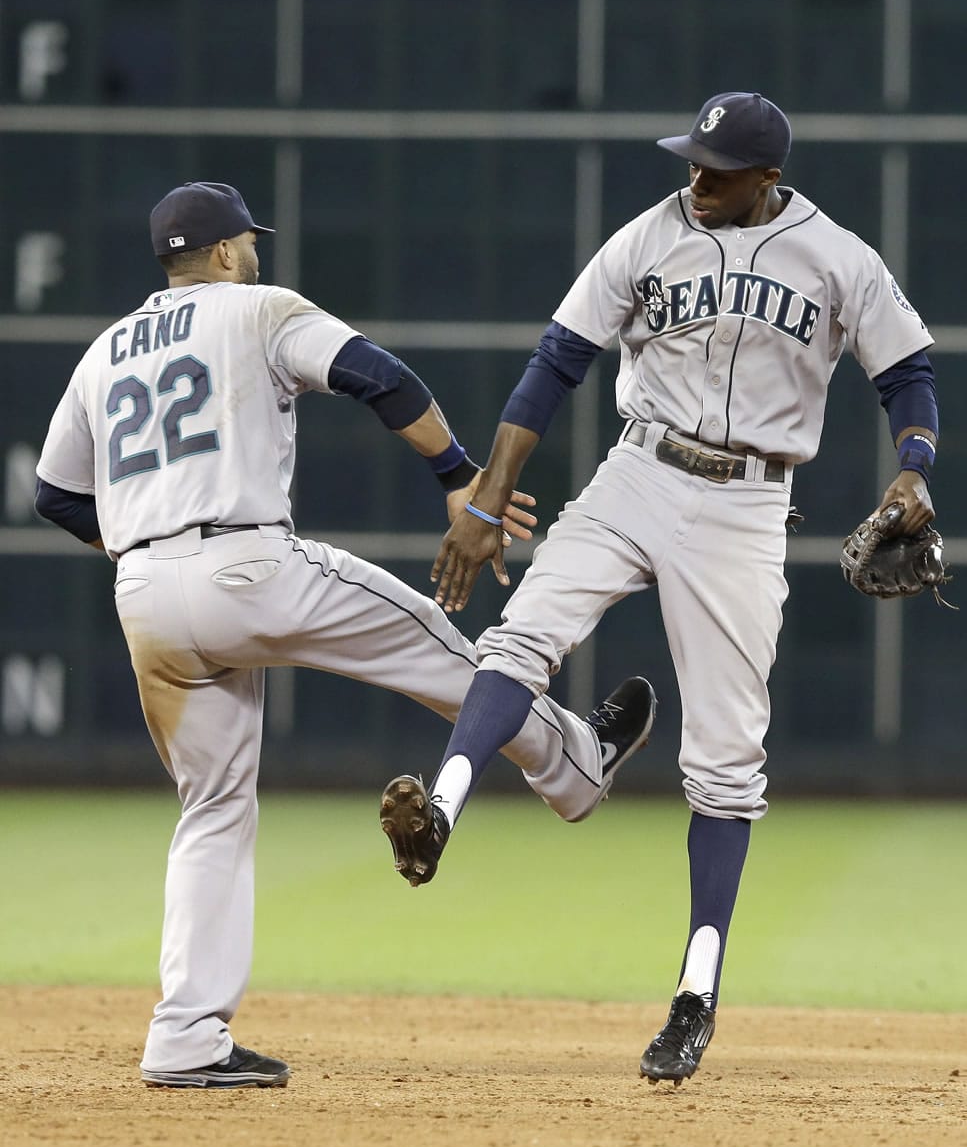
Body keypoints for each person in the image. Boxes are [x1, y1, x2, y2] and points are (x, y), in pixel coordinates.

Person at [33, 181, 657, 1089]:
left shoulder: (103, 352)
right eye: (245, 241)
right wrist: (456, 474)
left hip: (145, 595)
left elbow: (54, 494)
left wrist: (146, 550)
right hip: (247, 564)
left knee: (211, 811)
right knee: (446, 656)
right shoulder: (258, 309)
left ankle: (185, 1037)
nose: (253, 252)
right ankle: (578, 763)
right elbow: (380, 377)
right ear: (216, 253)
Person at [380, 92, 939, 1086]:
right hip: (638, 471)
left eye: (716, 169)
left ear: (767, 177)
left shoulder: (837, 258)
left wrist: (914, 464)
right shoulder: (647, 237)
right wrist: (484, 499)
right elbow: (553, 365)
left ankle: (694, 993)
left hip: (748, 508)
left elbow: (906, 372)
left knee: (724, 761)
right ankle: (443, 814)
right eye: (691, 159)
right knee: (519, 638)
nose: (696, 177)